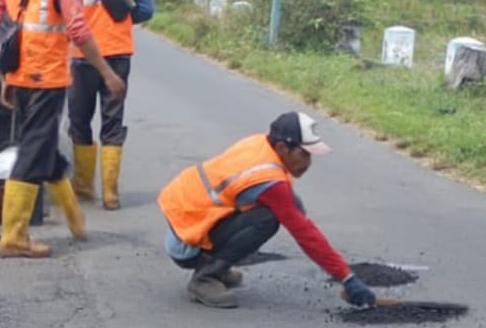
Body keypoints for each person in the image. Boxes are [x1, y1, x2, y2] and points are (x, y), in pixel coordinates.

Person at [0, 0, 126, 258]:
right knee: (34, 151)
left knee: (44, 145)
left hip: (18, 74)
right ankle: (14, 235)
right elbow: (78, 29)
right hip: (46, 75)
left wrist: (5, 75)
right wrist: (107, 73)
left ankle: (74, 216)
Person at [158, 111, 376, 310]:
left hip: (185, 220)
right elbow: (305, 234)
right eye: (304, 154)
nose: (308, 162)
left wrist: (296, 210)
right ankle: (205, 277)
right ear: (282, 148)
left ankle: (216, 267)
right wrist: (347, 279)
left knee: (274, 209)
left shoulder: (260, 144)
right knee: (267, 219)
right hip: (187, 243)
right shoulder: (267, 180)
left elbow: (287, 201)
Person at [67, 0, 155, 210]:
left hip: (82, 55)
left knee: (79, 120)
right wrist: (119, 19)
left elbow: (63, 5)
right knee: (112, 122)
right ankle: (111, 194)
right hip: (118, 54)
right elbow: (146, 9)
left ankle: (84, 187)